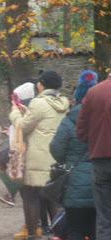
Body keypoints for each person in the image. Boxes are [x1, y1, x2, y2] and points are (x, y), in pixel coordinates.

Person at [10, 71, 69, 240]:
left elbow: (23, 126)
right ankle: (57, 234)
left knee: (30, 196)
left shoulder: (38, 102)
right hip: (56, 158)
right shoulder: (64, 102)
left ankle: (32, 235)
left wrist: (15, 112)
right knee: (53, 197)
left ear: (41, 84)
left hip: (37, 157)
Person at [50, 69, 98, 240]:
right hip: (100, 184)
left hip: (74, 187)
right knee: (99, 229)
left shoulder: (69, 120)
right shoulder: (103, 117)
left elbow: (56, 149)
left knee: (75, 230)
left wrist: (69, 160)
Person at [76, 71, 111, 240]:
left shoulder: (94, 92)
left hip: (100, 159)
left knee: (104, 216)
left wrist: (95, 139)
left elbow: (81, 131)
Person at [0, 82, 35, 206]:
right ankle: (11, 195)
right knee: (8, 165)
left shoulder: (28, 110)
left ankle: (11, 195)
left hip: (23, 147)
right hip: (16, 144)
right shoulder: (19, 110)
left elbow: (22, 126)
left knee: (18, 171)